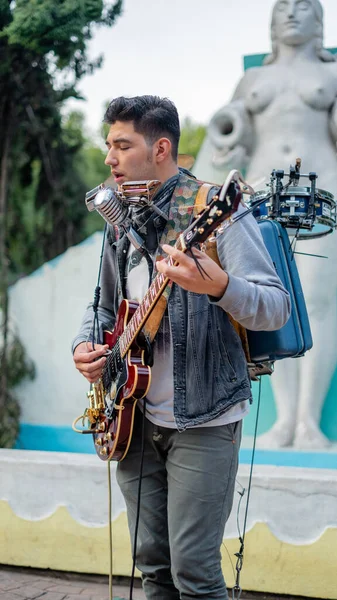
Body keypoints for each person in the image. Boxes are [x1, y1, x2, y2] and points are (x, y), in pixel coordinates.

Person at [72, 95, 290, 600]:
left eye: (122, 145)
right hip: (130, 415)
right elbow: (103, 308)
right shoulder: (119, 224)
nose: (110, 158)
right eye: (109, 146)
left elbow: (274, 307)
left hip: (206, 418)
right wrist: (86, 344)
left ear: (161, 147)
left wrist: (217, 287)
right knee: (152, 568)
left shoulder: (217, 211)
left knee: (194, 575)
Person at [194, 0, 337, 449]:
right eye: (283, 8)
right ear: (271, 22)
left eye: (304, 7)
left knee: (315, 299)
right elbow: (227, 138)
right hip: (261, 194)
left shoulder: (331, 75)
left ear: (320, 20)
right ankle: (283, 421)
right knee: (270, 295)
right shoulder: (252, 80)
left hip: (321, 193)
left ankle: (307, 422)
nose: (292, 14)